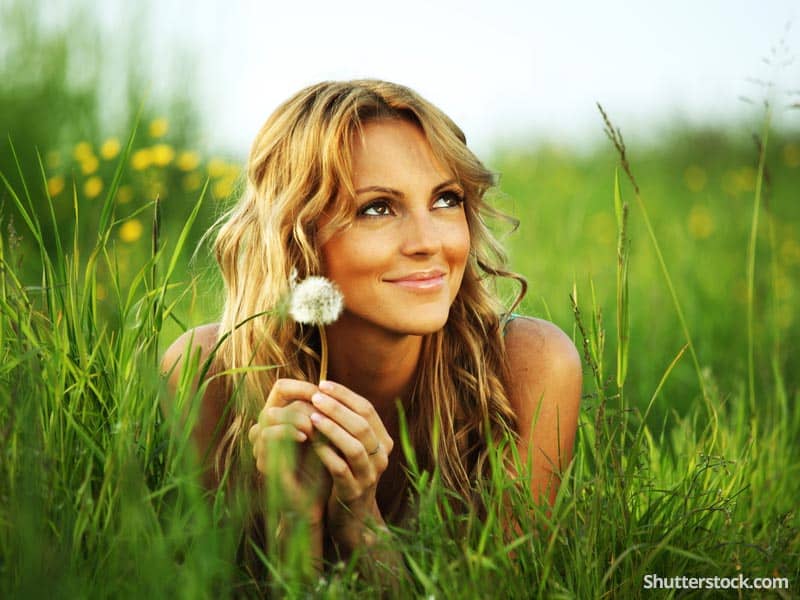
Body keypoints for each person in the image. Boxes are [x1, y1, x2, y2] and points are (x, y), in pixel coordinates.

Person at [160, 79, 582, 583]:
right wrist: (296, 522)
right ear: (298, 236)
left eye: (446, 200)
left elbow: (506, 593)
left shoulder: (527, 367)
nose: (428, 242)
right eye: (377, 208)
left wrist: (360, 522)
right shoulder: (208, 375)